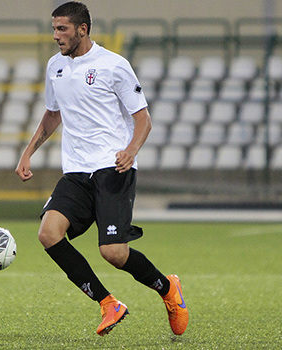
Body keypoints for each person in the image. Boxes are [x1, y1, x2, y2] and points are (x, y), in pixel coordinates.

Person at [15, 1, 188, 336]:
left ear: (82, 29)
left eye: (62, 29)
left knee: (113, 253)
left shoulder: (113, 65)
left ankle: (167, 289)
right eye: (53, 29)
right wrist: (28, 152)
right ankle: (109, 303)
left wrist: (131, 150)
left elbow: (143, 119)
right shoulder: (55, 67)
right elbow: (53, 114)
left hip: (112, 168)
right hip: (76, 172)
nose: (56, 36)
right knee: (48, 234)